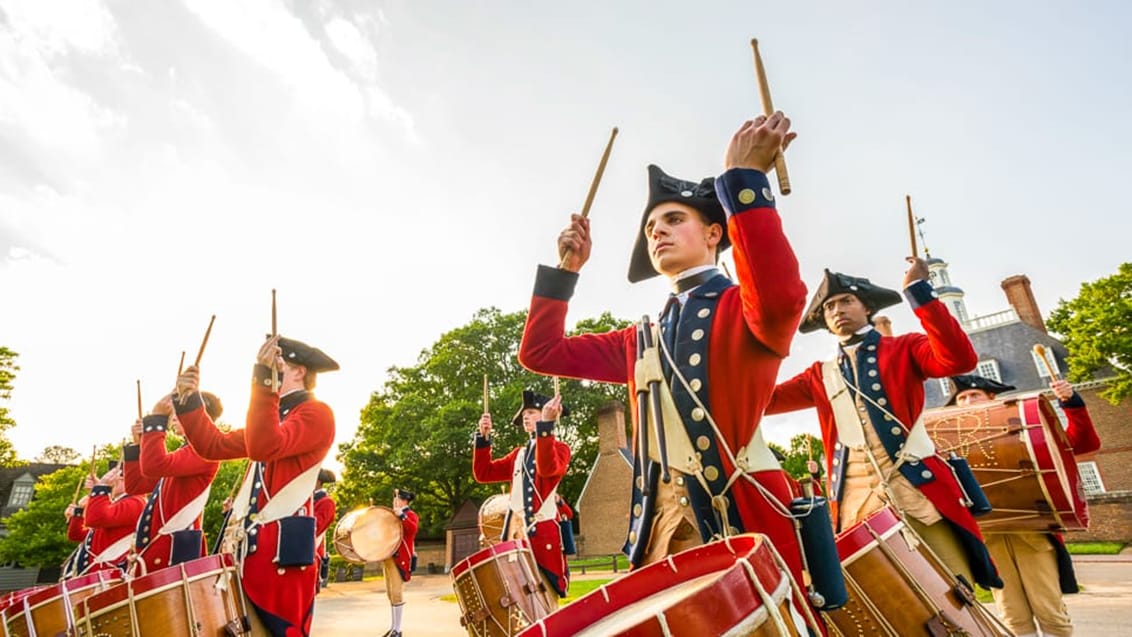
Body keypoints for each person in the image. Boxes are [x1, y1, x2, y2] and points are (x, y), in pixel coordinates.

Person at [517, 113, 819, 609]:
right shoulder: (642, 338)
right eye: (652, 226)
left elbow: (783, 297)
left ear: (714, 234)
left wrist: (745, 182)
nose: (657, 232)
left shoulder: (743, 309)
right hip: (657, 530)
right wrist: (566, 270)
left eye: (675, 219)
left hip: (742, 516)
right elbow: (541, 352)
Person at [765, 265, 1002, 590]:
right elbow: (763, 401)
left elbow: (958, 360)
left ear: (867, 307)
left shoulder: (904, 347)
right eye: (829, 307)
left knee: (954, 588)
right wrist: (754, 351)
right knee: (887, 600)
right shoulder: (819, 374)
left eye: (846, 300)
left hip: (917, 492)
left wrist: (919, 291)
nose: (837, 310)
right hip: (853, 502)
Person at [174, 334, 338, 637]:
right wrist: (190, 400)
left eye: (279, 363)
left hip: (278, 560)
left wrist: (263, 381)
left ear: (299, 371)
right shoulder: (273, 415)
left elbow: (264, 445)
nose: (271, 369)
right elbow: (213, 445)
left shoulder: (317, 413)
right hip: (248, 558)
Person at [949, 374, 1100, 637]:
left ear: (992, 399)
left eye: (975, 395)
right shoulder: (949, 440)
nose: (968, 401)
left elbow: (1082, 444)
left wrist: (1070, 402)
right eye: (962, 398)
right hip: (991, 537)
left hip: (1032, 532)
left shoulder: (1018, 429)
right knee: (1012, 618)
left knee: (1050, 612)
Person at [473, 390, 572, 596]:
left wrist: (546, 427)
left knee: (546, 596)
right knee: (517, 596)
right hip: (515, 534)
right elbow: (483, 473)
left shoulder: (561, 449)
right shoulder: (518, 454)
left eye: (532, 411)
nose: (525, 416)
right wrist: (483, 438)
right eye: (524, 413)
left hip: (543, 535)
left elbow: (547, 469)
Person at [122, 392, 222, 575]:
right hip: (159, 546)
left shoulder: (203, 453)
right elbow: (136, 485)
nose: (173, 416)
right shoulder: (183, 453)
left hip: (175, 547)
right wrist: (139, 444)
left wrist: (156, 421)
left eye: (180, 410)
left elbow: (156, 465)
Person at [79, 465, 147, 574]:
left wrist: (102, 488)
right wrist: (99, 489)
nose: (113, 480)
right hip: (101, 574)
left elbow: (96, 519)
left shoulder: (136, 502)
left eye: (119, 477)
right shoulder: (120, 502)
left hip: (111, 574)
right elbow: (77, 535)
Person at [381, 488, 419, 637]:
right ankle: (393, 627)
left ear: (404, 501)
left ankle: (398, 629)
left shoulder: (410, 515)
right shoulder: (391, 516)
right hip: (388, 556)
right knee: (390, 593)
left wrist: (402, 516)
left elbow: (412, 530)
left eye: (397, 499)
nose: (394, 501)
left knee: (396, 592)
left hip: (400, 557)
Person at [313, 468, 337, 592]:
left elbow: (314, 528)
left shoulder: (327, 502)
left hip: (313, 554)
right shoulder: (308, 500)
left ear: (317, 482)